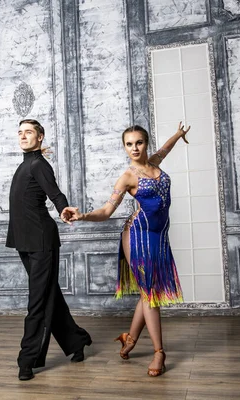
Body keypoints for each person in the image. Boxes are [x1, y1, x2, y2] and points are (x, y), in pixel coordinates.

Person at [61, 122, 190, 377]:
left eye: (138, 142)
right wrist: (83, 215)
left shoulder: (154, 163)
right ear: (124, 147)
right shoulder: (128, 176)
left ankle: (130, 339)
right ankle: (159, 352)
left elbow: (166, 148)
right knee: (150, 292)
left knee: (147, 292)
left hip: (159, 236)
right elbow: (107, 211)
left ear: (146, 143)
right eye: (129, 144)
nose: (134, 148)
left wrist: (177, 134)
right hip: (137, 236)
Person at [7, 119, 92, 381]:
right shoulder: (25, 164)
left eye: (29, 132)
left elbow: (55, 194)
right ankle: (77, 341)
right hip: (24, 240)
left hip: (42, 240)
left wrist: (63, 208)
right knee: (48, 294)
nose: (23, 136)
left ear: (40, 137)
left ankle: (27, 359)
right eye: (20, 132)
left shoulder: (39, 165)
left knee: (38, 301)